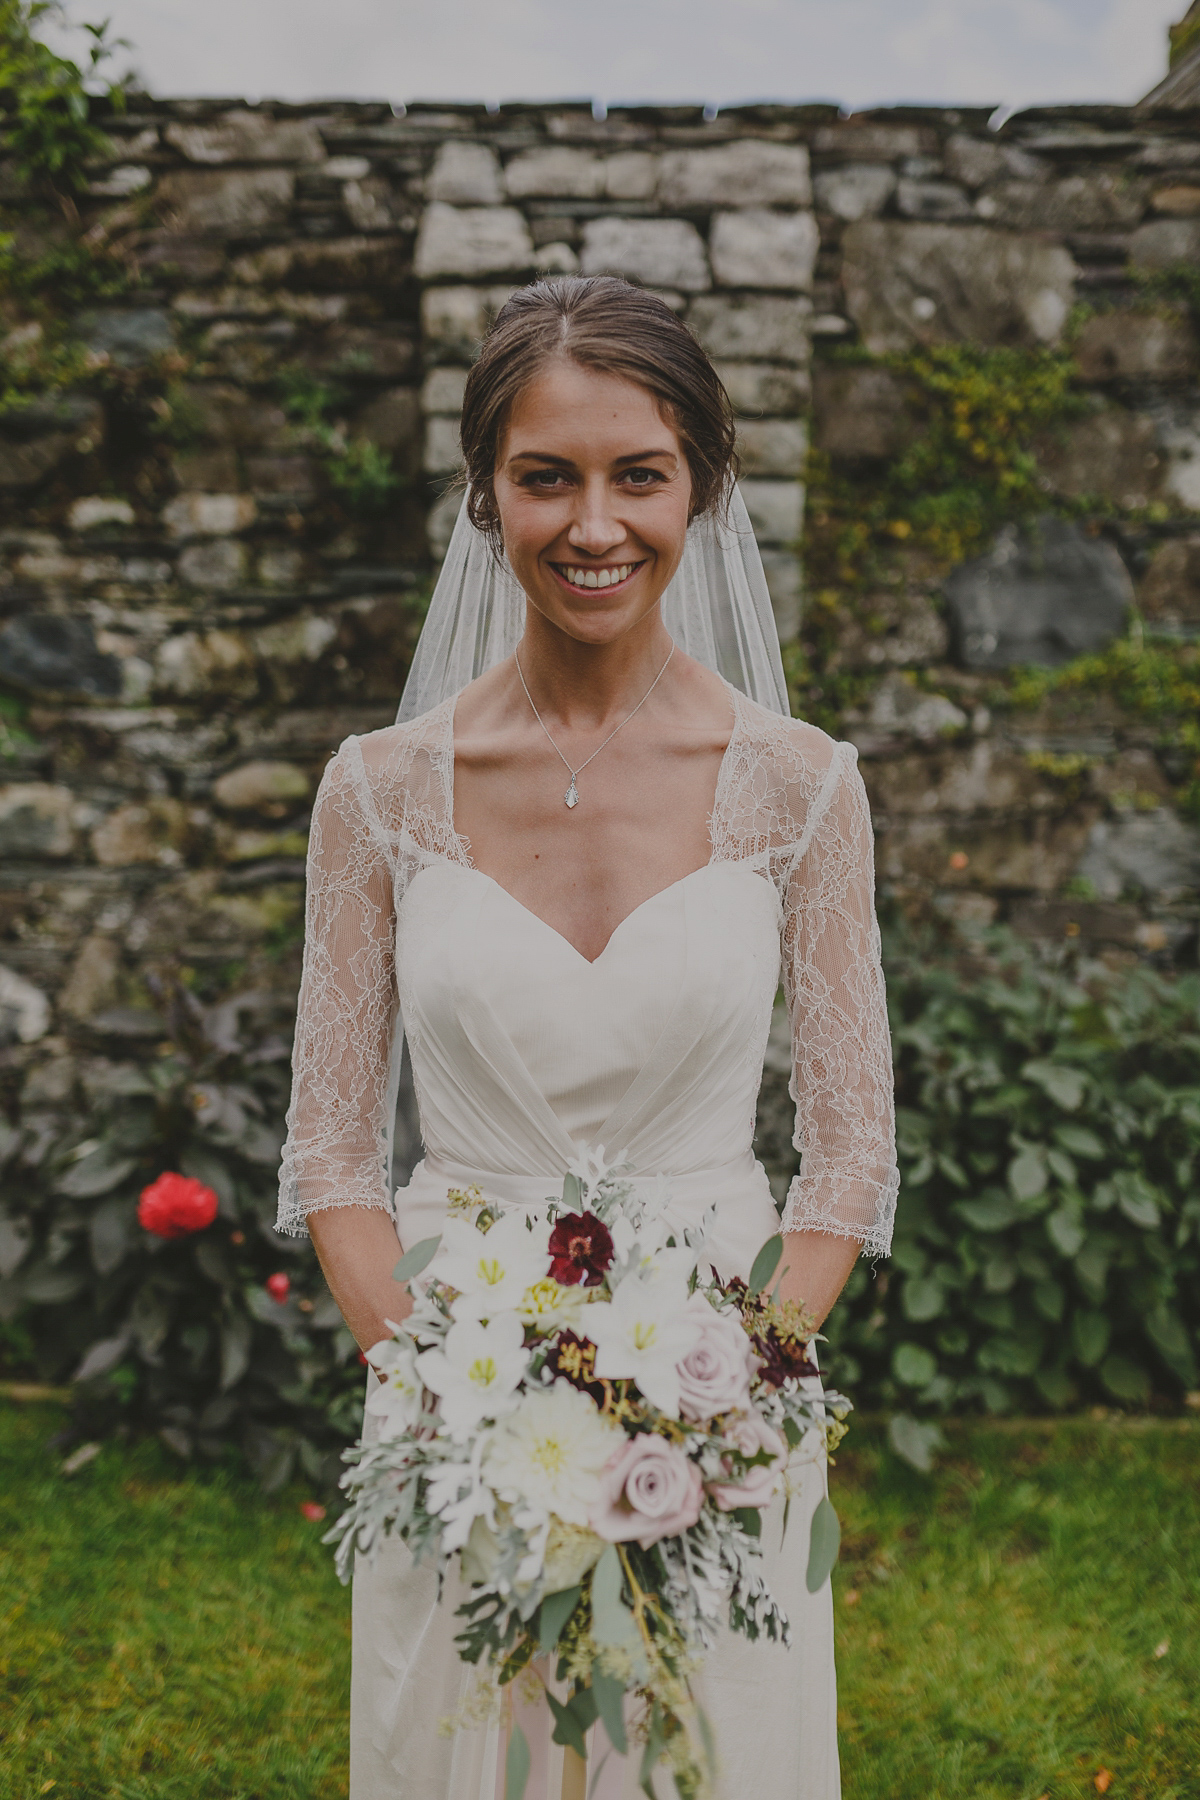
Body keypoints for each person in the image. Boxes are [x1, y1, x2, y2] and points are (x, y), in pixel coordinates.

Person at [277, 275, 898, 1800]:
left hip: (722, 1385)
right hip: (452, 1377)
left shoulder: (803, 788)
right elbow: (333, 1150)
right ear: (488, 498)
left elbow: (847, 1164)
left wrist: (724, 1384)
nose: (594, 524)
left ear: (703, 488)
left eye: (640, 474)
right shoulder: (377, 790)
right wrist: (440, 1387)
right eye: (545, 477)